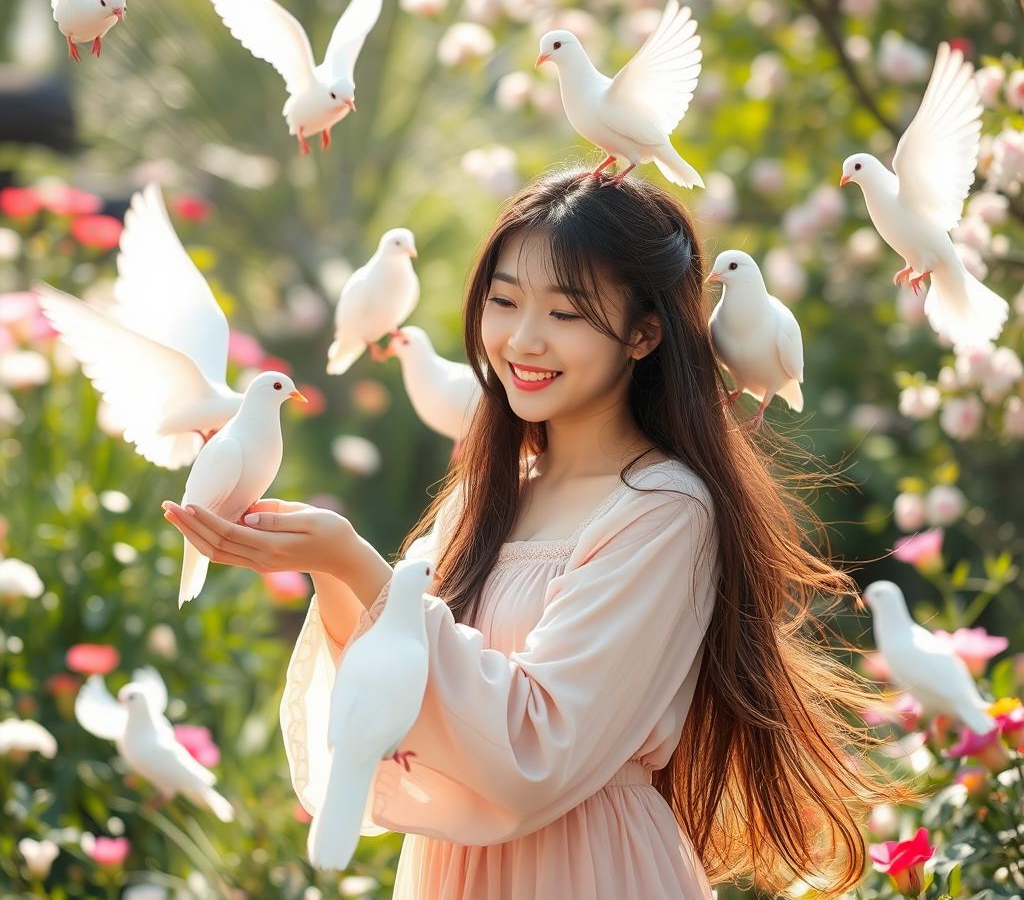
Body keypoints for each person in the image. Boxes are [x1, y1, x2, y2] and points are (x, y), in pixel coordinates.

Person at [164, 170, 910, 898]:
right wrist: (329, 570)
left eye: (565, 313)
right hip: (449, 874)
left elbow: (537, 749)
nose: (522, 340)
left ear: (643, 333)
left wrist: (360, 568)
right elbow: (381, 715)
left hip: (586, 868)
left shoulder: (663, 511)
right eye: (504, 301)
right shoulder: (483, 498)